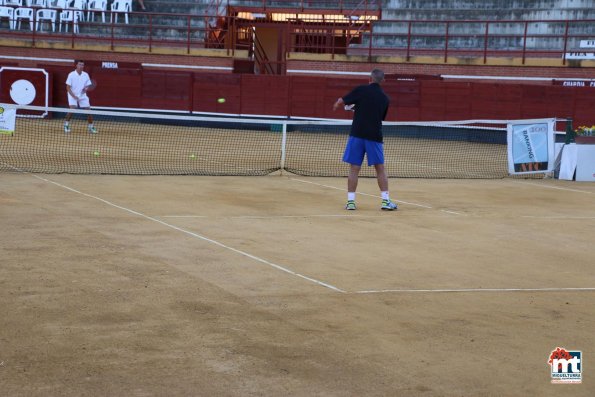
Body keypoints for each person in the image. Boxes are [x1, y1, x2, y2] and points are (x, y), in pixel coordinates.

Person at [332, 69, 397, 211]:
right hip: (374, 136)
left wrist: (339, 104)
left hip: (357, 134)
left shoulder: (361, 90)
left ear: (370, 79)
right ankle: (385, 201)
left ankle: (350, 202)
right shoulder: (385, 99)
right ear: (383, 81)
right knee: (380, 168)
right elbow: (379, 117)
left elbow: (342, 101)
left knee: (354, 168)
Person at [64, 60, 97, 134]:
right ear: (76, 65)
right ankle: (66, 125)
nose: (81, 66)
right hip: (72, 94)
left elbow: (87, 85)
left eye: (82, 65)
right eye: (80, 64)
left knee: (88, 111)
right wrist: (74, 96)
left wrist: (85, 89)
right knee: (72, 108)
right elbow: (68, 87)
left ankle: (91, 127)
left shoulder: (86, 75)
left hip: (82, 95)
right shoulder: (71, 75)